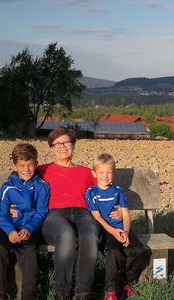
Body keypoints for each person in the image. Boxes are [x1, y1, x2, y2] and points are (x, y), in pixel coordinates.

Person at [36, 127, 121, 300]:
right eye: (57, 143)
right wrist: (12, 205)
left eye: (66, 142)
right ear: (51, 148)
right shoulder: (42, 170)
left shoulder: (86, 172)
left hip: (84, 214)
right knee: (67, 235)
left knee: (90, 235)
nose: (62, 146)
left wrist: (119, 210)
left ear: (74, 145)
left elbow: (105, 192)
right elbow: (18, 181)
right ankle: (62, 292)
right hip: (54, 215)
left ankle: (83, 292)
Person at [0, 143, 50, 300]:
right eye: (22, 165)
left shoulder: (42, 186)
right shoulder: (7, 187)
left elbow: (41, 211)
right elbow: (2, 213)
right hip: (8, 226)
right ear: (14, 166)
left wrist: (29, 228)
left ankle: (29, 294)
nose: (26, 169)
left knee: (29, 253)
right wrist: (10, 231)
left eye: (30, 165)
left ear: (36, 163)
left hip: (31, 227)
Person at [84, 153, 150, 300]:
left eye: (109, 172)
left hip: (122, 228)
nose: (105, 176)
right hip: (106, 230)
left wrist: (125, 231)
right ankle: (111, 290)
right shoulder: (91, 193)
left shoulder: (119, 192)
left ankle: (127, 281)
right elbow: (97, 217)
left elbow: (126, 215)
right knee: (114, 253)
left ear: (114, 173)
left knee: (138, 250)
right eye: (101, 172)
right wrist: (114, 231)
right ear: (94, 173)